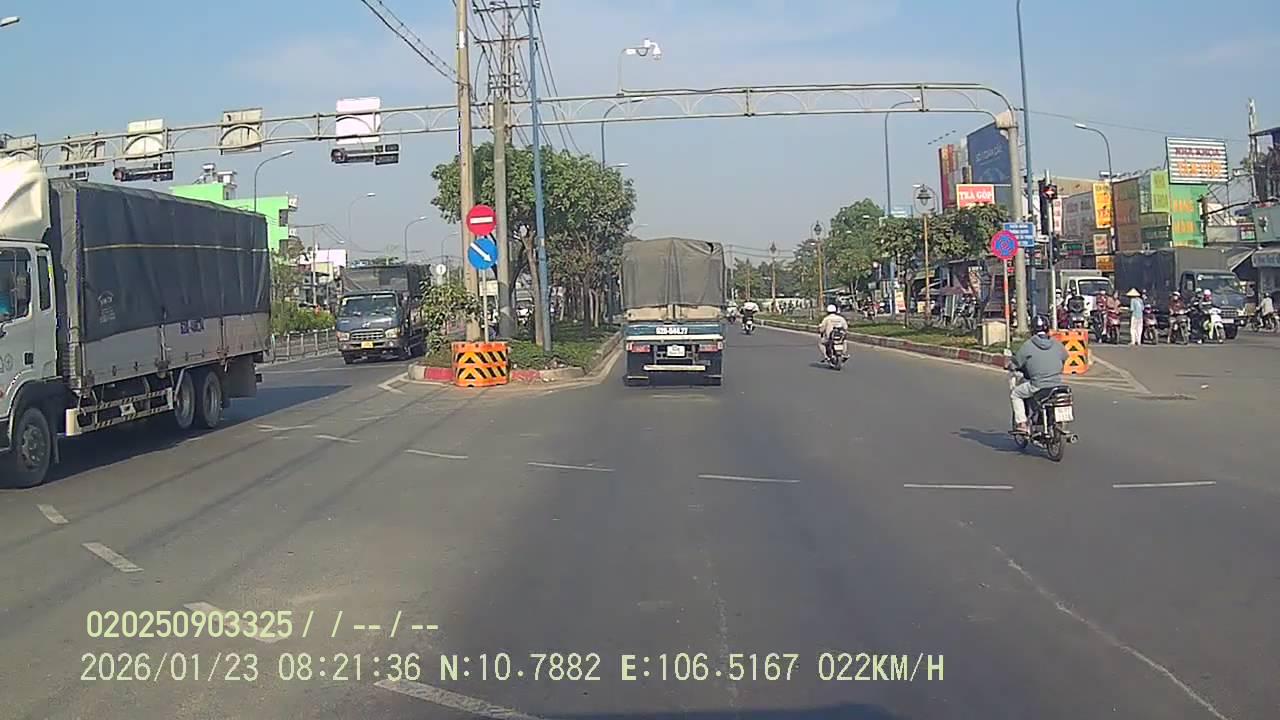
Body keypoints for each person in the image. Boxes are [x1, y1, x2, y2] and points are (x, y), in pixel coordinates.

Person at [1009, 315, 1069, 433]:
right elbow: (1065, 357)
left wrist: (1010, 365)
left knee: (1016, 394)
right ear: (1048, 329)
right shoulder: (1057, 344)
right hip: (1057, 385)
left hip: (1037, 385)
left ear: (1032, 330)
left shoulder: (1028, 345)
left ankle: (1022, 424)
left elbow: (1016, 363)